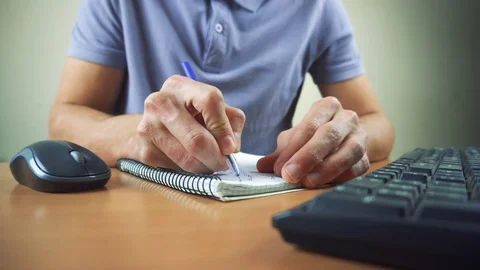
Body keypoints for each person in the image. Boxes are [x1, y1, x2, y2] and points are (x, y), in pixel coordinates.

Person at [48, 0, 394, 188]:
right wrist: (136, 138)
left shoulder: (318, 8)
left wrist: (346, 137)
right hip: (138, 201)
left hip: (260, 209)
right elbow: (66, 117)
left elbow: (376, 122)